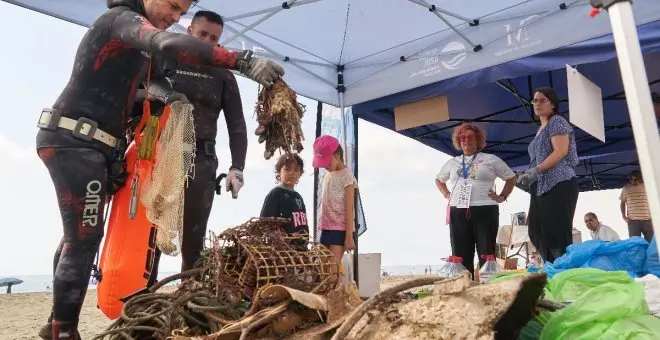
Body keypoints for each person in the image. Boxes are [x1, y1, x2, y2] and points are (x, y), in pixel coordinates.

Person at [36, 0, 284, 338]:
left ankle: (55, 324)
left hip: (108, 147)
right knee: (86, 238)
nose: (175, 16)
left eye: (181, 11)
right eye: (173, 6)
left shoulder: (156, 54)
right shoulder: (121, 20)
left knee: (78, 237)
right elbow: (164, 44)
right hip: (76, 140)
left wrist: (169, 96)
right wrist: (241, 59)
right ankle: (64, 332)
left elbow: (150, 85)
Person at [140, 10, 248, 286]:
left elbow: (237, 125)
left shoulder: (224, 75)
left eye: (214, 38)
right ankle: (142, 301)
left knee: (194, 242)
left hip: (201, 160)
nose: (207, 42)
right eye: (202, 35)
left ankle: (188, 299)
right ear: (189, 32)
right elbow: (137, 92)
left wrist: (237, 168)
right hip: (159, 156)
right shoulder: (166, 57)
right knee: (149, 236)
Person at [435, 123, 516, 279]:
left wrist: (502, 196)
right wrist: (446, 194)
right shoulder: (453, 162)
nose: (466, 140)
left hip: (485, 209)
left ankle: (487, 287)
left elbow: (511, 177)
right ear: (458, 141)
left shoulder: (490, 159)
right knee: (460, 252)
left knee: (487, 253)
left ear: (478, 140)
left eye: (470, 137)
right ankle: (466, 287)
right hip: (458, 210)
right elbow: (439, 179)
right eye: (462, 137)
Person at [518, 87, 579, 263]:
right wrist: (526, 176)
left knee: (556, 232)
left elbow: (560, 151)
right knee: (536, 230)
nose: (537, 103)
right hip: (540, 186)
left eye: (542, 100)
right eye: (534, 100)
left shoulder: (557, 122)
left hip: (559, 182)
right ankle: (552, 267)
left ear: (552, 104)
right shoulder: (540, 128)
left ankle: (564, 271)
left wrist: (536, 170)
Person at [312, 135, 357, 280]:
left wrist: (349, 237)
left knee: (332, 270)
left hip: (340, 229)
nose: (324, 165)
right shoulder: (327, 173)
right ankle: (325, 298)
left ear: (338, 155)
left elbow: (350, 209)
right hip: (326, 226)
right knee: (322, 268)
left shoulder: (347, 177)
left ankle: (335, 300)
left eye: (326, 161)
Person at [260, 153, 309, 249]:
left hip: (301, 249)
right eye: (287, 169)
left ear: (300, 174)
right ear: (279, 171)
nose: (291, 173)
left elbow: (303, 222)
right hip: (282, 249)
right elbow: (264, 223)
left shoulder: (298, 197)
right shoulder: (275, 194)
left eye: (296, 170)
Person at [620, 170, 654, 242]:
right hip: (633, 221)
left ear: (640, 179)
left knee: (651, 244)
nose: (633, 182)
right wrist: (624, 216)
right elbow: (622, 203)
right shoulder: (626, 188)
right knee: (635, 244)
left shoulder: (647, 187)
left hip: (647, 221)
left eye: (635, 179)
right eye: (631, 179)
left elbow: (653, 200)